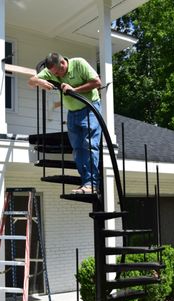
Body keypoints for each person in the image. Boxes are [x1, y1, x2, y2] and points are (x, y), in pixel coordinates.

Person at [28, 52, 102, 194]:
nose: (58, 76)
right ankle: (86, 183)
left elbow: (97, 82)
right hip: (72, 113)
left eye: (58, 72)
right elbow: (30, 81)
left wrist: (74, 90)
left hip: (90, 108)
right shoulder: (52, 72)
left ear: (62, 63)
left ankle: (92, 184)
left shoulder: (79, 63)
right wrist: (39, 81)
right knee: (77, 149)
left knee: (90, 146)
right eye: (53, 74)